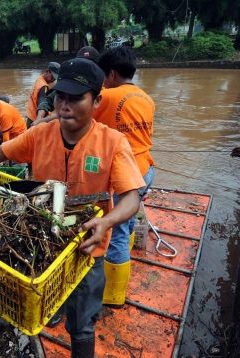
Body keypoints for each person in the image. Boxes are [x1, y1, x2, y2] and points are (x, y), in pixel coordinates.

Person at [0, 58, 145, 357]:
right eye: (60, 98)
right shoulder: (40, 134)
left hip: (85, 248)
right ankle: (50, 317)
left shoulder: (113, 143)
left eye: (76, 99)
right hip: (41, 242)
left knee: (81, 323)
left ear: (97, 101)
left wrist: (106, 222)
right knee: (42, 307)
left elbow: (131, 197)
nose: (64, 106)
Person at [95, 46, 156, 308]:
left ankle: (113, 296)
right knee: (128, 222)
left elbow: (80, 119)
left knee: (115, 232)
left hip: (125, 174)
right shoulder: (147, 98)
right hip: (146, 169)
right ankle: (126, 256)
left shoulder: (106, 96)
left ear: (110, 74)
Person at [32, 47, 99, 126]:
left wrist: (43, 120)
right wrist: (39, 118)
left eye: (90, 65)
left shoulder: (104, 87)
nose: (85, 69)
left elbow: (72, 114)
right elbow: (48, 100)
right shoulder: (69, 84)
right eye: (82, 64)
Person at [25, 62, 60, 128]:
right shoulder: (43, 87)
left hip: (30, 115)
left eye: (55, 78)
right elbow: (43, 104)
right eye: (52, 77)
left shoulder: (39, 79)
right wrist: (41, 120)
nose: (53, 80)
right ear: (47, 71)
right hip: (36, 120)